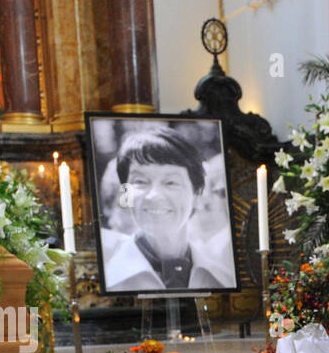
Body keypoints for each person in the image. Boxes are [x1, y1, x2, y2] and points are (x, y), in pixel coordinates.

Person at [100, 126, 236, 293]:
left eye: (171, 182)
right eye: (141, 181)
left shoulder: (223, 279)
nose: (154, 195)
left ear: (197, 194)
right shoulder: (107, 280)